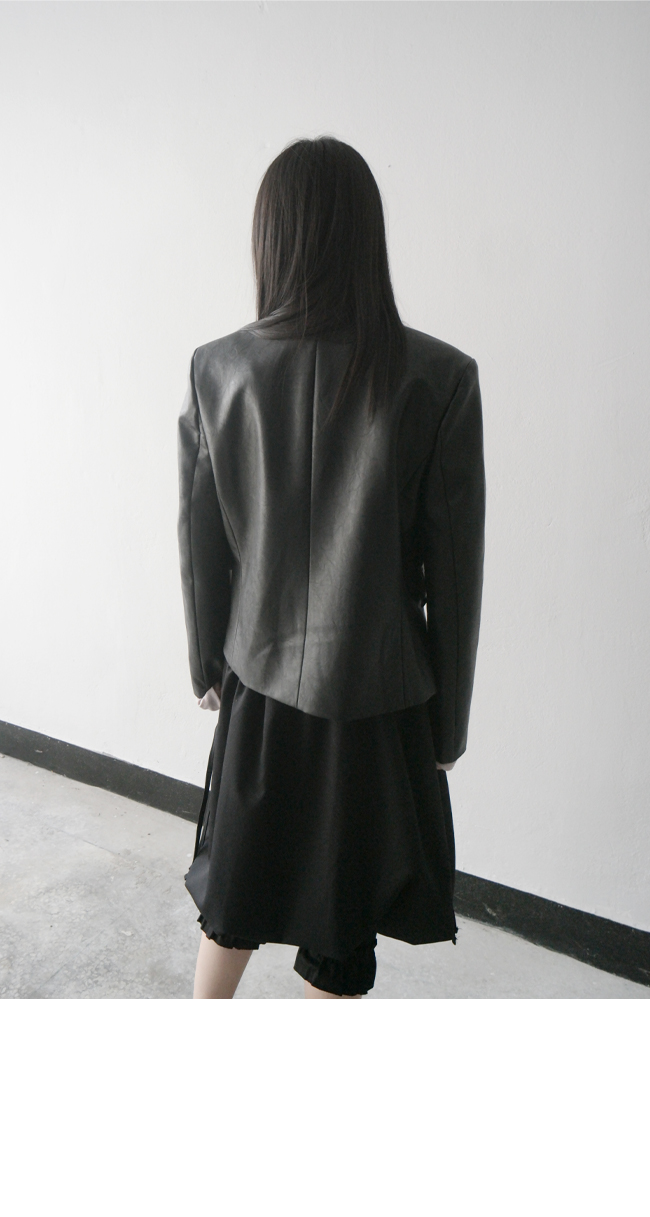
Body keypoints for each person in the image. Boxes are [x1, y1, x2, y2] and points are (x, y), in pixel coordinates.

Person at [177, 136, 486, 999]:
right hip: (380, 702)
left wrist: (207, 665)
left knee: (234, 892)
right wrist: (446, 727)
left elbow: (200, 547)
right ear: (367, 236)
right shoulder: (439, 378)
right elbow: (455, 577)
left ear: (271, 238)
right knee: (343, 929)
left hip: (260, 684)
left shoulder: (218, 370)